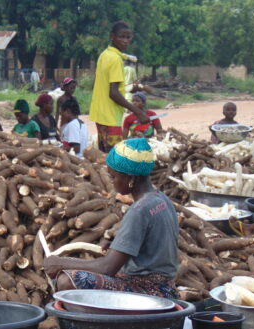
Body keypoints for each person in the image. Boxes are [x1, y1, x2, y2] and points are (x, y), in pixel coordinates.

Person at [44, 138, 179, 299]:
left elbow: (108, 268)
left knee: (67, 281)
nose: (111, 181)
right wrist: (119, 245)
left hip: (150, 291)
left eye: (113, 176)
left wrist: (61, 263)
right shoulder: (161, 200)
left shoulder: (139, 210)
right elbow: (153, 244)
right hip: (166, 285)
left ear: (130, 179)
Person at [89, 21, 149, 153]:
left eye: (128, 37)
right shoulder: (116, 59)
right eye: (122, 37)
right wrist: (138, 112)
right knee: (114, 158)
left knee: (104, 155)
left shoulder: (104, 55)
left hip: (100, 113)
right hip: (110, 116)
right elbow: (113, 93)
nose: (126, 41)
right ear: (112, 36)